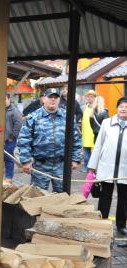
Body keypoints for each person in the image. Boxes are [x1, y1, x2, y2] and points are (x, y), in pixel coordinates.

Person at [17, 88, 82, 192]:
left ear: (59, 99)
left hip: (62, 165)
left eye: (55, 97)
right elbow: (24, 140)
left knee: (62, 197)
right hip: (40, 165)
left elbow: (76, 138)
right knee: (38, 196)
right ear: (43, 99)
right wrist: (25, 161)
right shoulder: (33, 117)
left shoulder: (67, 117)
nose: (53, 100)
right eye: (50, 97)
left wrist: (76, 158)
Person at [88, 97, 127, 235]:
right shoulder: (106, 123)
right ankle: (102, 221)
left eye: (126, 107)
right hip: (106, 165)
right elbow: (98, 145)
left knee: (124, 197)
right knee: (105, 195)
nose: (123, 109)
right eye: (121, 106)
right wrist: (92, 166)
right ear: (117, 108)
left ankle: (121, 225)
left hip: (124, 168)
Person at [4, 94, 22, 183]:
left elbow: (18, 124)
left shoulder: (14, 110)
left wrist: (13, 136)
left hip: (9, 139)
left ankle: (9, 177)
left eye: (5, 99)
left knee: (8, 158)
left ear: (8, 99)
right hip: (0, 139)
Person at [81, 90, 98, 172]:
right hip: (85, 133)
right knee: (86, 152)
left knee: (94, 152)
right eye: (88, 96)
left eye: (92, 96)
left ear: (95, 98)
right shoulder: (84, 107)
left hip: (94, 133)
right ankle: (86, 166)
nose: (90, 98)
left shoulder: (97, 107)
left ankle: (93, 168)